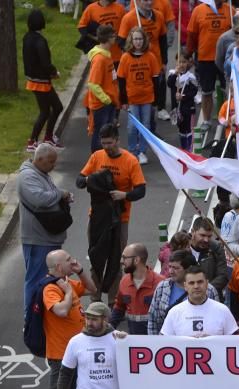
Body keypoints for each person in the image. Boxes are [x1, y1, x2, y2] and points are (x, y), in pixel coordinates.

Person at [42, 249, 97, 389]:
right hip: (60, 354)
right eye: (68, 260)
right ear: (57, 267)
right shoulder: (51, 288)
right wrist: (66, 292)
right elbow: (61, 311)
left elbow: (92, 289)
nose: (72, 260)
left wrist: (80, 271)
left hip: (75, 351)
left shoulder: (66, 283)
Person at [77, 123, 148, 276]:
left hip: (120, 218)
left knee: (117, 259)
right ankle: (96, 296)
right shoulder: (97, 156)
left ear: (117, 140)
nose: (106, 147)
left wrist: (125, 195)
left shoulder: (130, 161)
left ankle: (113, 299)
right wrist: (92, 179)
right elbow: (79, 181)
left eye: (109, 143)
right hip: (97, 216)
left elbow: (141, 190)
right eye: (103, 143)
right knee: (96, 256)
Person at [19, 144, 72, 312]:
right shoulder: (28, 176)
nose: (53, 166)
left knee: (47, 279)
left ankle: (42, 315)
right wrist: (61, 193)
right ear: (39, 159)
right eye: (51, 162)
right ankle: (31, 319)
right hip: (38, 239)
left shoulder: (41, 173)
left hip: (47, 237)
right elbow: (40, 199)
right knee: (36, 280)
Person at [117, 27, 161, 164]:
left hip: (147, 98)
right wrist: (123, 100)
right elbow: (121, 81)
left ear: (144, 40)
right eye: (135, 39)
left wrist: (157, 100)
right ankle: (132, 151)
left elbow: (155, 79)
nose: (138, 42)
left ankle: (142, 151)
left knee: (146, 126)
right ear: (131, 40)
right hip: (132, 99)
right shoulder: (125, 58)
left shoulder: (151, 57)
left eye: (140, 39)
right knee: (132, 127)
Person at [149, 250, 221, 334]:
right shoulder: (162, 287)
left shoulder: (209, 290)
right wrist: (154, 343)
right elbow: (152, 319)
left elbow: (217, 317)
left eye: (176, 268)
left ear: (188, 269)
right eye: (170, 267)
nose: (171, 271)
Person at [186, 0, 232, 128]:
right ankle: (206, 120)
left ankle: (225, 117)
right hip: (205, 58)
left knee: (227, 89)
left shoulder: (230, 10)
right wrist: (189, 54)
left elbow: (236, 31)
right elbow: (191, 34)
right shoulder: (198, 10)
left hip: (225, 58)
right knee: (207, 92)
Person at [23, 9, 63, 152]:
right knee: (54, 108)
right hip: (42, 81)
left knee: (47, 110)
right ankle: (38, 139)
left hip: (32, 80)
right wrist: (54, 72)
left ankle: (43, 138)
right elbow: (45, 62)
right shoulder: (41, 41)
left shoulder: (26, 38)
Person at [109, 244, 161, 334]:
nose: (121, 261)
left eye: (124, 258)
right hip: (134, 341)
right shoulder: (124, 282)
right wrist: (107, 329)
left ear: (136, 260)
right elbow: (119, 307)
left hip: (156, 341)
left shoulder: (160, 283)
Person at [84, 26, 120, 153]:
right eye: (113, 36)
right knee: (100, 133)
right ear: (108, 38)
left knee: (106, 132)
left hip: (108, 102)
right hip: (102, 104)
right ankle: (97, 158)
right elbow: (93, 84)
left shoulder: (106, 56)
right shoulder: (100, 59)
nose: (115, 38)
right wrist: (106, 100)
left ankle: (103, 158)